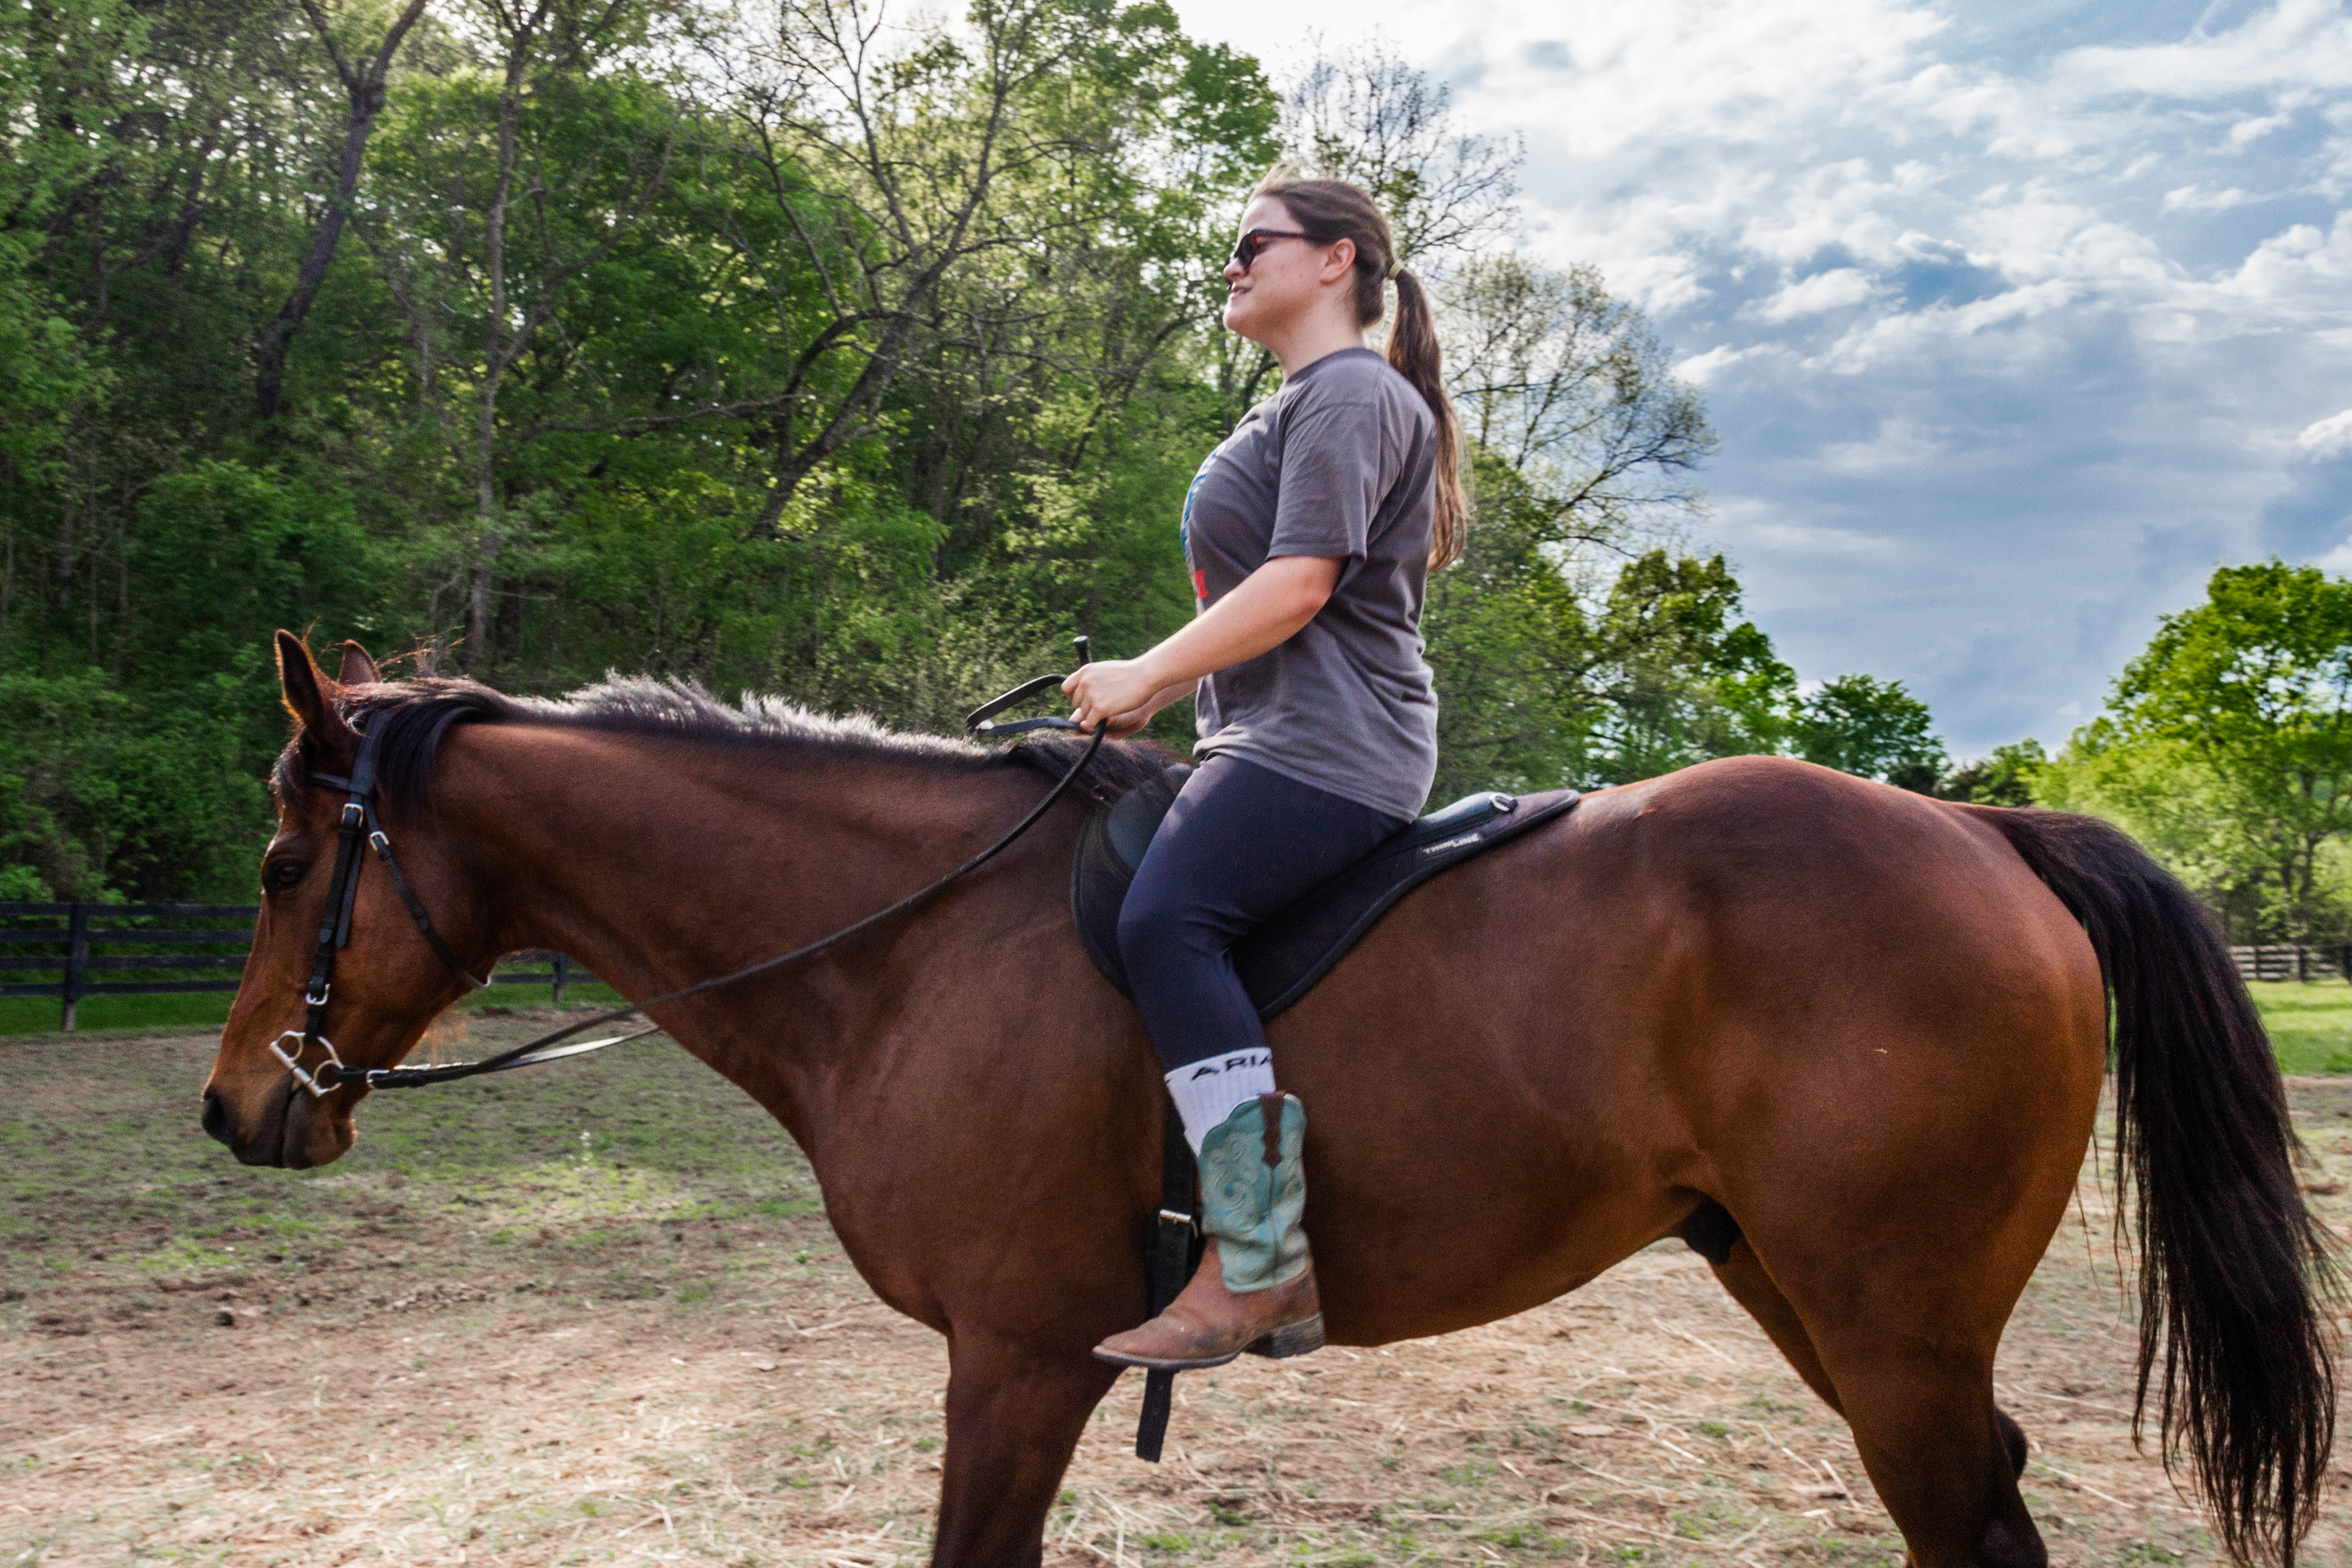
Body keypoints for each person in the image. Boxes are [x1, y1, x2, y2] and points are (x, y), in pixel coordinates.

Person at [1061, 169, 1467, 1370]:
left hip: (1333, 744)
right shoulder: (1303, 402)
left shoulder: (1349, 393)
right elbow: (1266, 603)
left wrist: (1148, 673)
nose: (1232, 265)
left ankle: (1260, 1260)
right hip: (1270, 735)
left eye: (1255, 243)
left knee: (1169, 918)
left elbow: (1300, 587)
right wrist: (1170, 687)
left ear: (1336, 258)